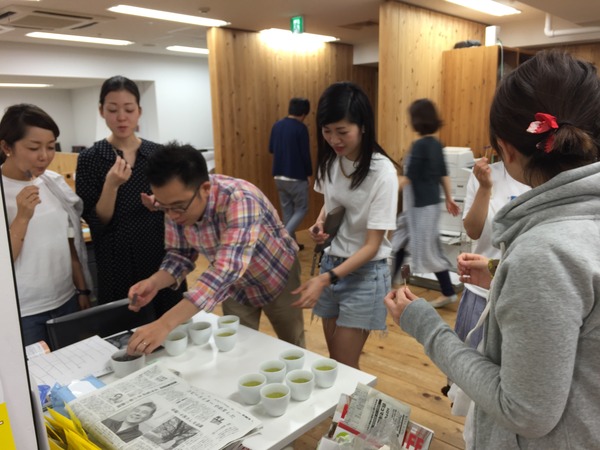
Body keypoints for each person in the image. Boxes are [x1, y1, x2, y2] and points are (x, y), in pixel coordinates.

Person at [385, 50, 600, 449]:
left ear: (506, 149)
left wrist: (425, 325)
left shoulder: (544, 252)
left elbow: (525, 411)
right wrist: (503, 271)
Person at [125, 142, 305, 355]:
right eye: (165, 208)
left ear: (205, 189)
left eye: (179, 207)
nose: (172, 216)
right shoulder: (176, 203)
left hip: (276, 275)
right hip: (234, 287)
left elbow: (225, 269)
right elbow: (180, 255)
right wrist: (154, 282)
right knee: (236, 346)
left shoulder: (240, 198)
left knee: (293, 343)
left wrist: (164, 324)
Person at [291, 82, 399, 369]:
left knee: (345, 365)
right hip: (332, 264)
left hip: (364, 274)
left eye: (342, 131)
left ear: (362, 126)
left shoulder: (382, 172)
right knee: (336, 364)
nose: (334, 140)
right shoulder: (331, 161)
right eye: (327, 131)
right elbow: (331, 202)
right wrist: (319, 224)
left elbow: (373, 245)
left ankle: (355, 401)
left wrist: (324, 279)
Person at [76, 75, 184, 321]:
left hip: (160, 253)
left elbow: (177, 205)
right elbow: (96, 221)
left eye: (128, 109)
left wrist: (161, 205)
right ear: (102, 111)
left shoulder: (158, 154)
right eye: (113, 110)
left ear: (139, 111)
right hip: (116, 261)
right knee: (125, 326)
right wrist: (111, 185)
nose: (121, 117)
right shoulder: (90, 158)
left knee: (171, 324)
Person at [0, 104, 92, 347]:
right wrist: (22, 217)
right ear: (7, 147)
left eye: (51, 147)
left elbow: (69, 243)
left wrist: (82, 290)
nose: (45, 156)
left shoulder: (54, 183)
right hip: (24, 311)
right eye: (33, 148)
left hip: (66, 300)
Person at [455, 156, 529, 347]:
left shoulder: (549, 175)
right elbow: (473, 231)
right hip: (480, 292)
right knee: (468, 361)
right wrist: (484, 187)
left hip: (527, 297)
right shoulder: (485, 174)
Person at [398, 99, 460, 307]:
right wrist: (449, 198)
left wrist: (384, 189)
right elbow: (444, 174)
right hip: (429, 205)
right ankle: (391, 283)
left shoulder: (420, 146)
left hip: (420, 207)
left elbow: (409, 178)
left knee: (429, 251)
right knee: (401, 239)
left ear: (417, 120)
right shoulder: (436, 144)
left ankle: (448, 292)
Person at [269, 97, 312, 249]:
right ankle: (284, 238)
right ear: (304, 113)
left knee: (287, 210)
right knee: (302, 209)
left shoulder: (277, 126)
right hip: (296, 176)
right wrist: (309, 173)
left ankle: (291, 245)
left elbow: (271, 149)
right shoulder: (301, 128)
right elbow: (305, 154)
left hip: (278, 175)